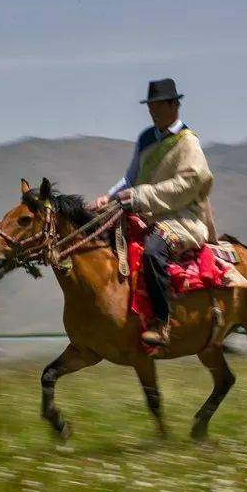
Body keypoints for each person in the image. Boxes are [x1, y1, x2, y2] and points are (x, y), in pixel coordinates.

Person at [89, 78, 216, 347]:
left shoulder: (188, 143)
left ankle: (162, 322)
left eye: (158, 106)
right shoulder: (146, 138)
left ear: (174, 105)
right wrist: (108, 198)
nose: (153, 111)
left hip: (181, 217)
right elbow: (131, 178)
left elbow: (188, 184)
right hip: (146, 211)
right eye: (150, 107)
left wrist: (140, 196)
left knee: (152, 251)